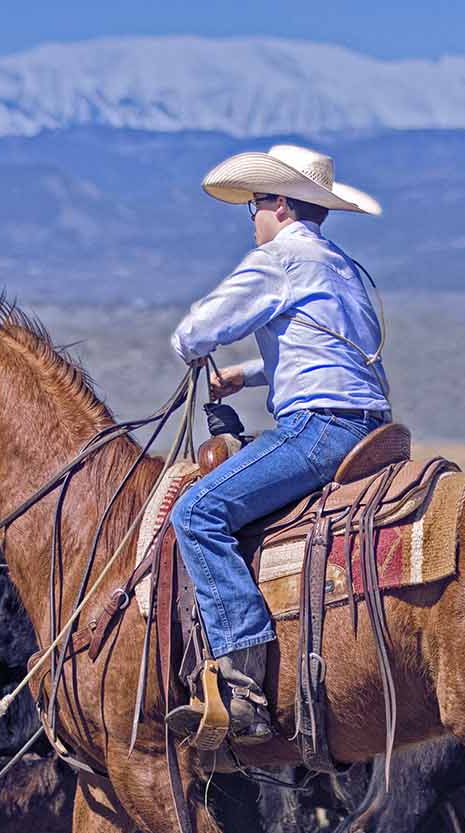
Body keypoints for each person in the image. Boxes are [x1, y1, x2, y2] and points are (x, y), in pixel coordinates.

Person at [166, 143, 389, 746]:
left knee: (198, 511)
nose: (253, 218)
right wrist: (247, 374)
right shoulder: (343, 265)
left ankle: (244, 688)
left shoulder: (279, 259)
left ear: (282, 206)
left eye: (255, 206)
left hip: (319, 428)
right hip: (372, 426)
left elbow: (194, 332)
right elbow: (330, 350)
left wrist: (194, 346)